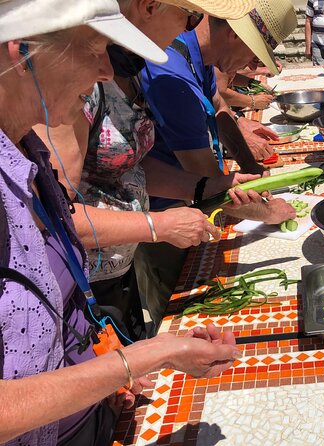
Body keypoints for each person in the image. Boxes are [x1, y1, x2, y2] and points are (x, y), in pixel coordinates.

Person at [0, 1, 243, 444]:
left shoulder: (26, 150)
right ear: (22, 52)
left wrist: (101, 372)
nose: (106, 72)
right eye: (94, 49)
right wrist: (142, 358)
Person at [33, 0, 268, 340]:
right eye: (190, 17)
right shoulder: (82, 84)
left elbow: (128, 166)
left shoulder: (130, 70)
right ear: (150, 6)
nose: (190, 28)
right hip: (82, 289)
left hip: (120, 271)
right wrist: (156, 225)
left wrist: (205, 187)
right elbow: (54, 213)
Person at [137, 0, 298, 333]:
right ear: (238, 36)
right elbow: (206, 183)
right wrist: (270, 212)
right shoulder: (173, 76)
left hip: (190, 205)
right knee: (185, 324)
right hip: (166, 225)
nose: (252, 66)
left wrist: (251, 166)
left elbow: (219, 104)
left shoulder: (196, 54)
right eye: (254, 56)